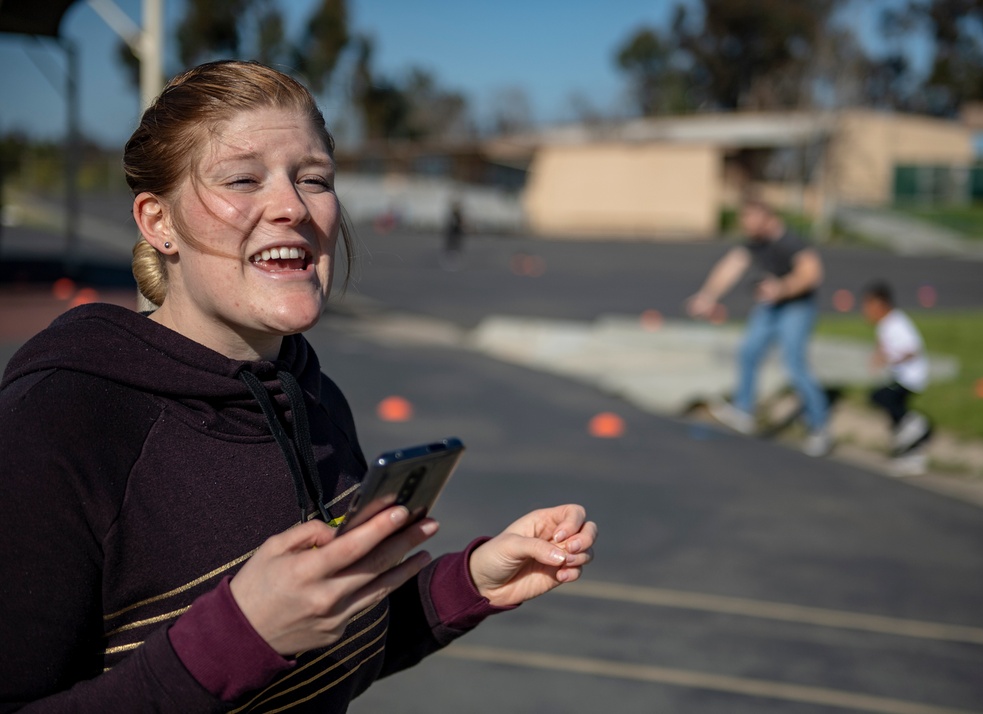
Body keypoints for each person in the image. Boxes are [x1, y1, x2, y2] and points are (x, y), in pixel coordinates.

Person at [0, 60, 597, 713]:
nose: (292, 205)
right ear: (158, 222)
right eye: (242, 179)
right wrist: (236, 637)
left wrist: (469, 583)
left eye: (313, 178)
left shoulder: (314, 400)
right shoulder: (58, 427)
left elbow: (326, 651)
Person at [686, 198, 830, 456]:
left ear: (766, 217)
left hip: (796, 306)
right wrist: (707, 296)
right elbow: (730, 266)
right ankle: (744, 410)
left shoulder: (789, 241)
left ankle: (819, 427)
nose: (746, 226)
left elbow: (812, 273)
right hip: (770, 306)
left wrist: (783, 288)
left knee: (795, 365)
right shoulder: (755, 243)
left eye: (749, 220)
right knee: (749, 351)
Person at [861, 281, 933, 476]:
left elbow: (911, 349)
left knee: (882, 398)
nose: (866, 311)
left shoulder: (896, 322)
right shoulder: (886, 324)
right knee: (893, 412)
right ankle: (911, 455)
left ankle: (918, 424)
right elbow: (883, 347)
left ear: (881, 304)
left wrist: (890, 359)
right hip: (900, 375)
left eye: (869, 305)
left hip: (910, 377)